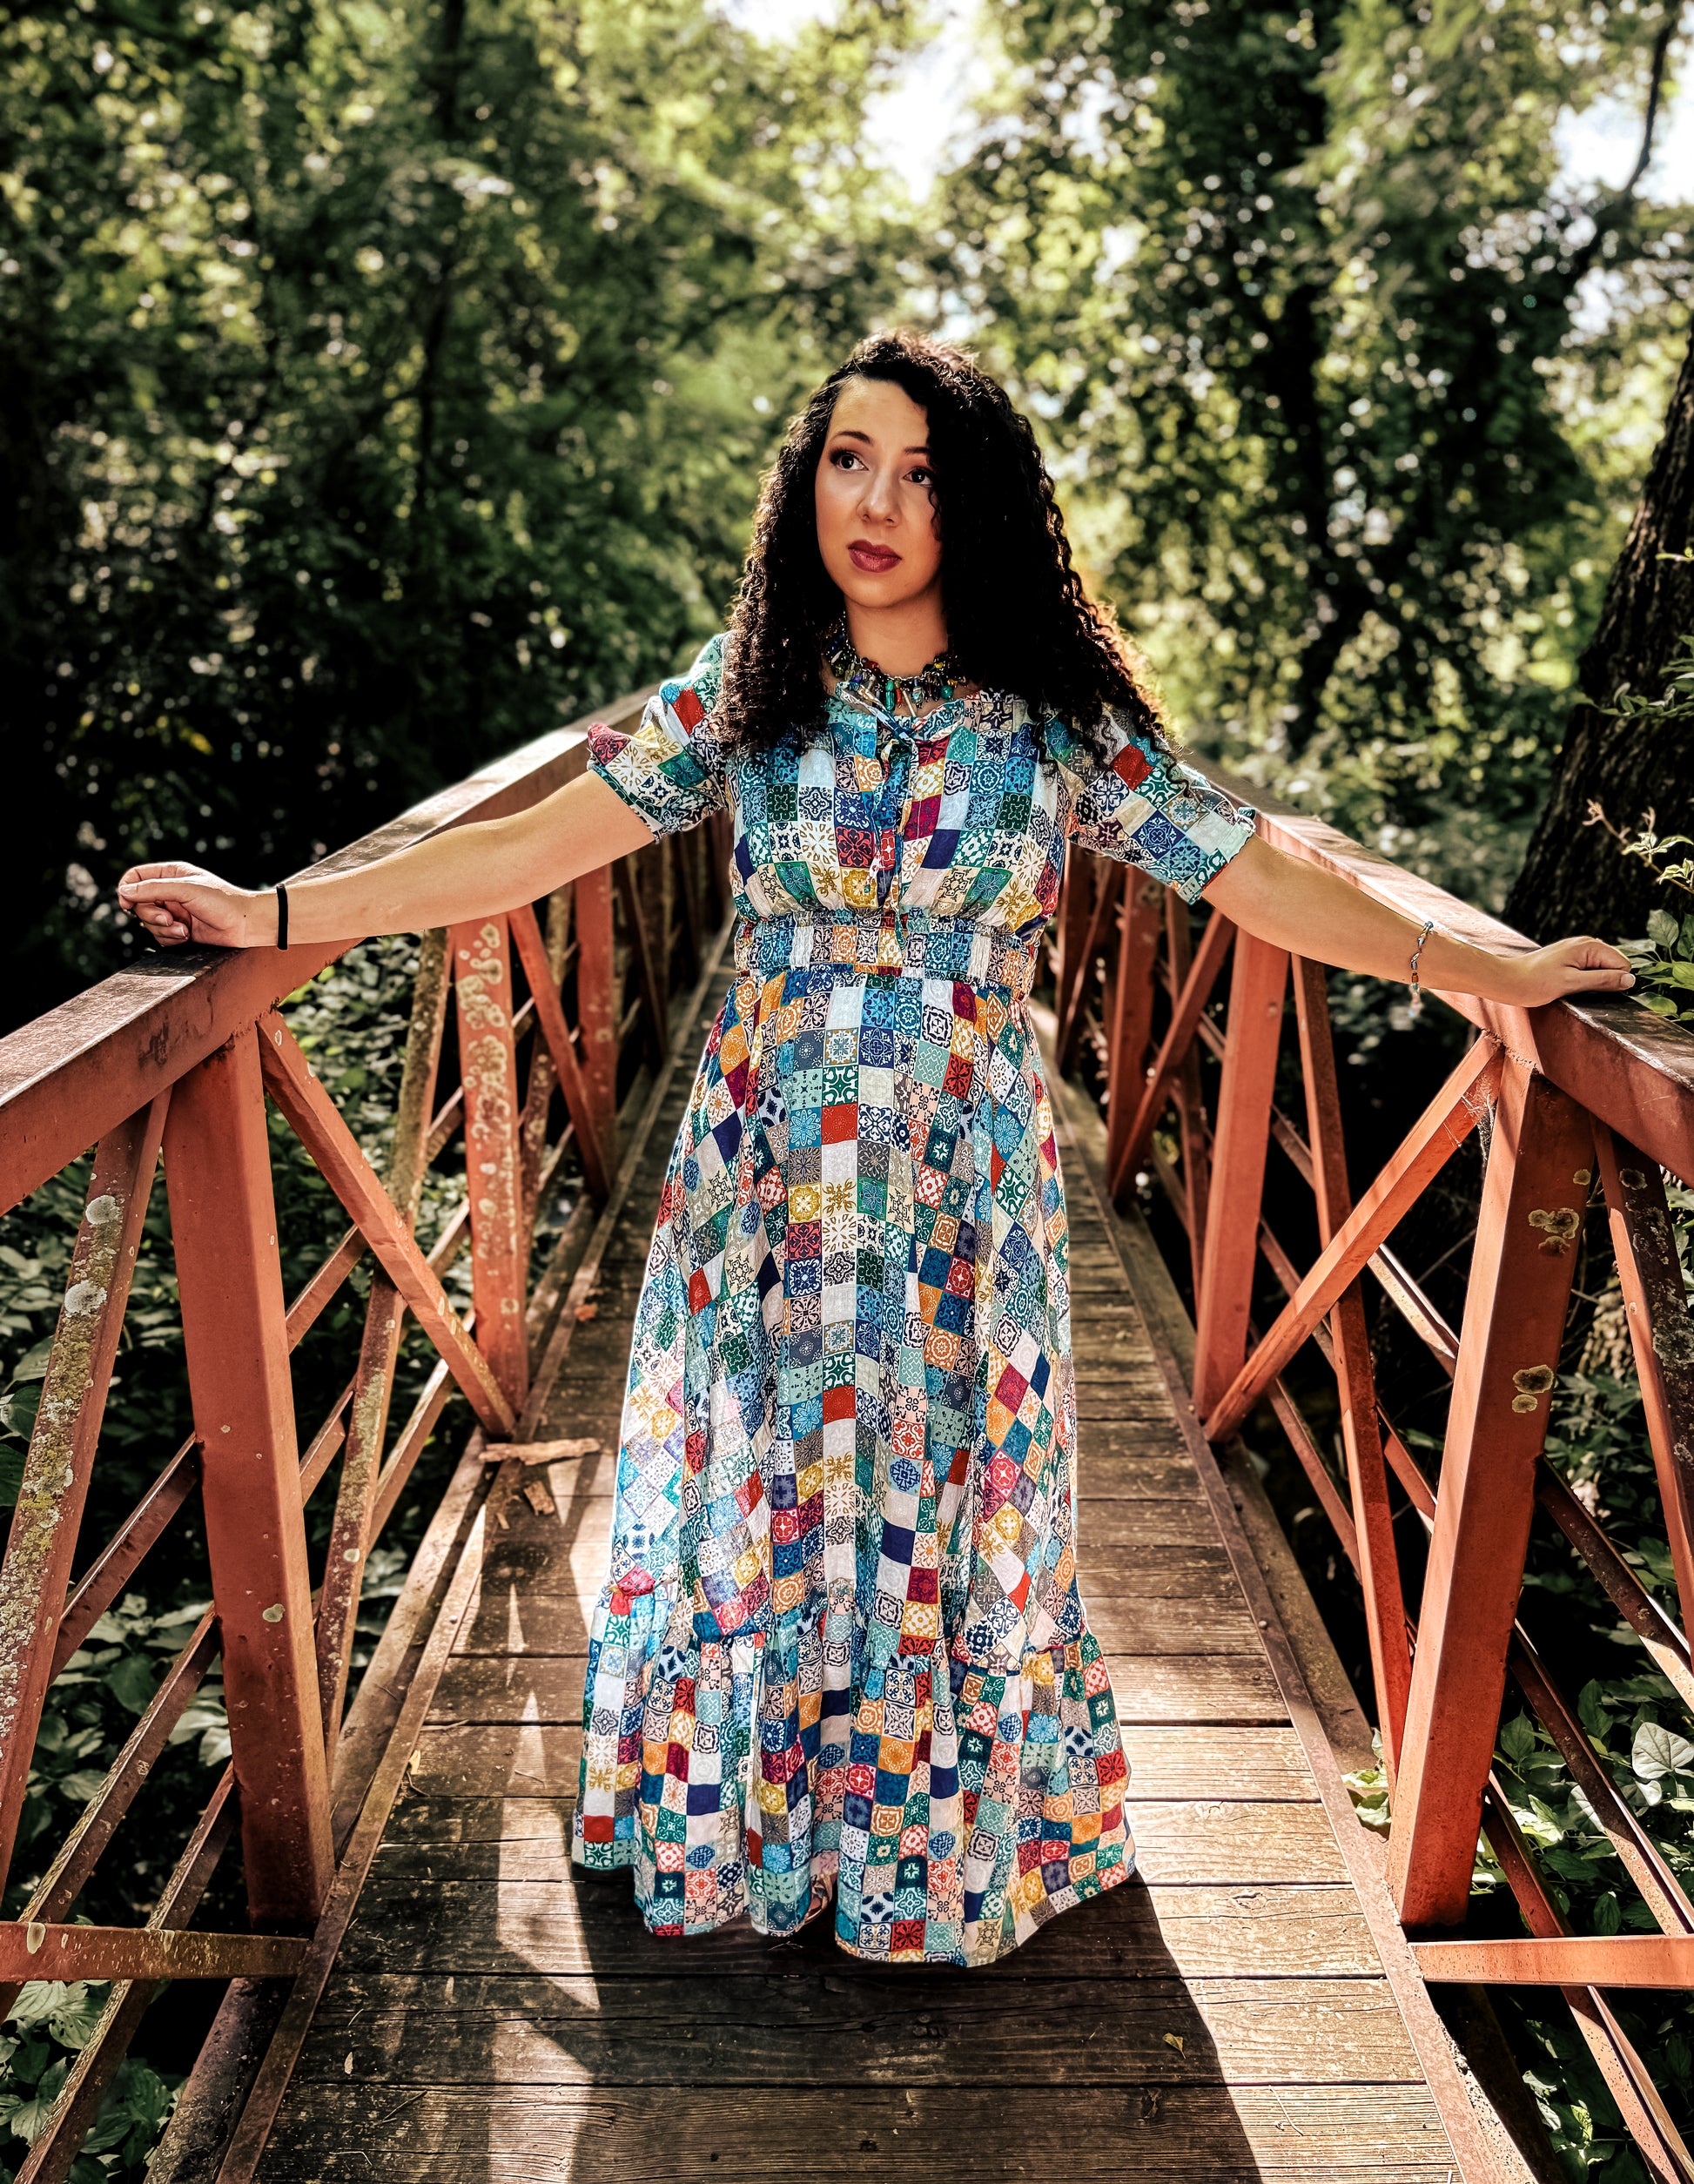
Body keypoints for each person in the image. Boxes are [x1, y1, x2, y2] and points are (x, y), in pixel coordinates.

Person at [118, 331, 1632, 1968]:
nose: (878, 500)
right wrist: (278, 912)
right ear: (805, 476)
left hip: (960, 1180)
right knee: (755, 1485)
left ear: (970, 505)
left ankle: (925, 1854)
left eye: (919, 471)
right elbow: (525, 846)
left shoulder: (1049, 720)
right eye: (849, 456)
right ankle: (749, 1831)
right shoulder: (749, 689)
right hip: (760, 1171)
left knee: (935, 1495)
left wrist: (1488, 969)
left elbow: (1251, 871)